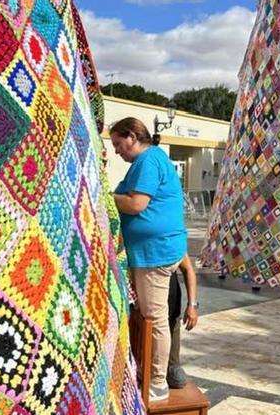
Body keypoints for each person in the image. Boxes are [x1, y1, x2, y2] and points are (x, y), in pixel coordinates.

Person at [110, 118, 187, 403]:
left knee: (155, 319)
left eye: (119, 143)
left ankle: (157, 382)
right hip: (152, 252)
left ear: (132, 137)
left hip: (155, 253)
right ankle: (150, 373)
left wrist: (105, 197)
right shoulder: (149, 161)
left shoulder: (148, 161)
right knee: (151, 317)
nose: (117, 150)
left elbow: (136, 204)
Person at [167, 254, 198, 388]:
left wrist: (192, 305)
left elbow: (188, 270)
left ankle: (172, 364)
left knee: (177, 380)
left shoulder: (173, 236)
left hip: (171, 307)